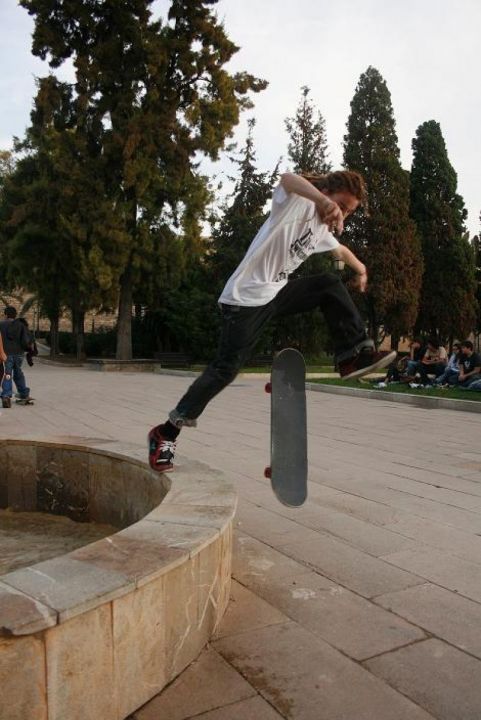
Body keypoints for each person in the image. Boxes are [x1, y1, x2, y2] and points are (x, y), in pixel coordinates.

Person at [147, 170, 396, 472]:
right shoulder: (297, 202)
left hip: (276, 293)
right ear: (327, 192)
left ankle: (353, 356)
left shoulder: (321, 229)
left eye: (348, 211)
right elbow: (288, 178)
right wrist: (320, 201)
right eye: (340, 205)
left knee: (329, 284)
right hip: (243, 300)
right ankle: (165, 433)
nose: (340, 214)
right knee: (224, 370)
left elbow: (339, 250)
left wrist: (361, 269)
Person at [0, 306, 32, 408]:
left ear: (5, 315)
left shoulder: (1, 325)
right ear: (15, 315)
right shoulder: (21, 325)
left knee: (8, 374)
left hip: (6, 353)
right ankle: (23, 393)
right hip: (19, 354)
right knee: (18, 372)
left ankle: (6, 395)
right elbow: (26, 340)